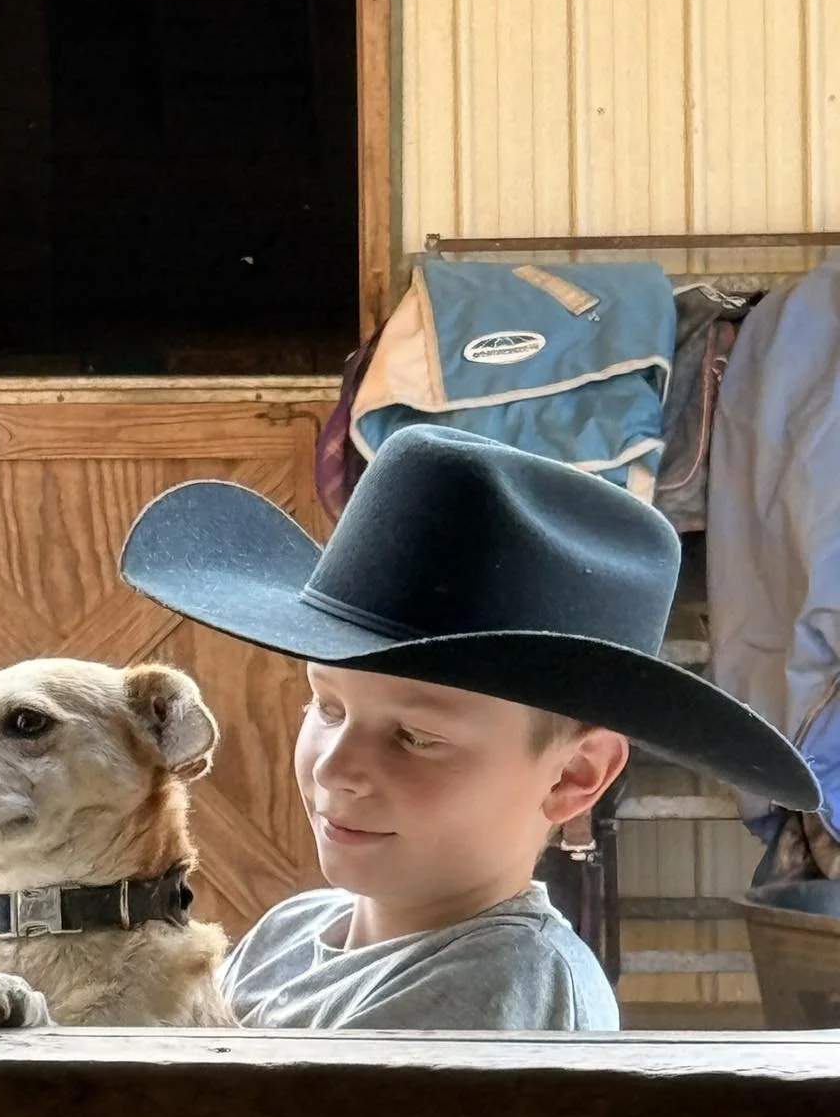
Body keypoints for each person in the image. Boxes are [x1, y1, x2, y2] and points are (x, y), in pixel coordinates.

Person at [119, 423, 817, 1030]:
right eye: (327, 706)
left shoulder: (500, 992)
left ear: (575, 776)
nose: (334, 767)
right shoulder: (290, 932)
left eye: (416, 737)